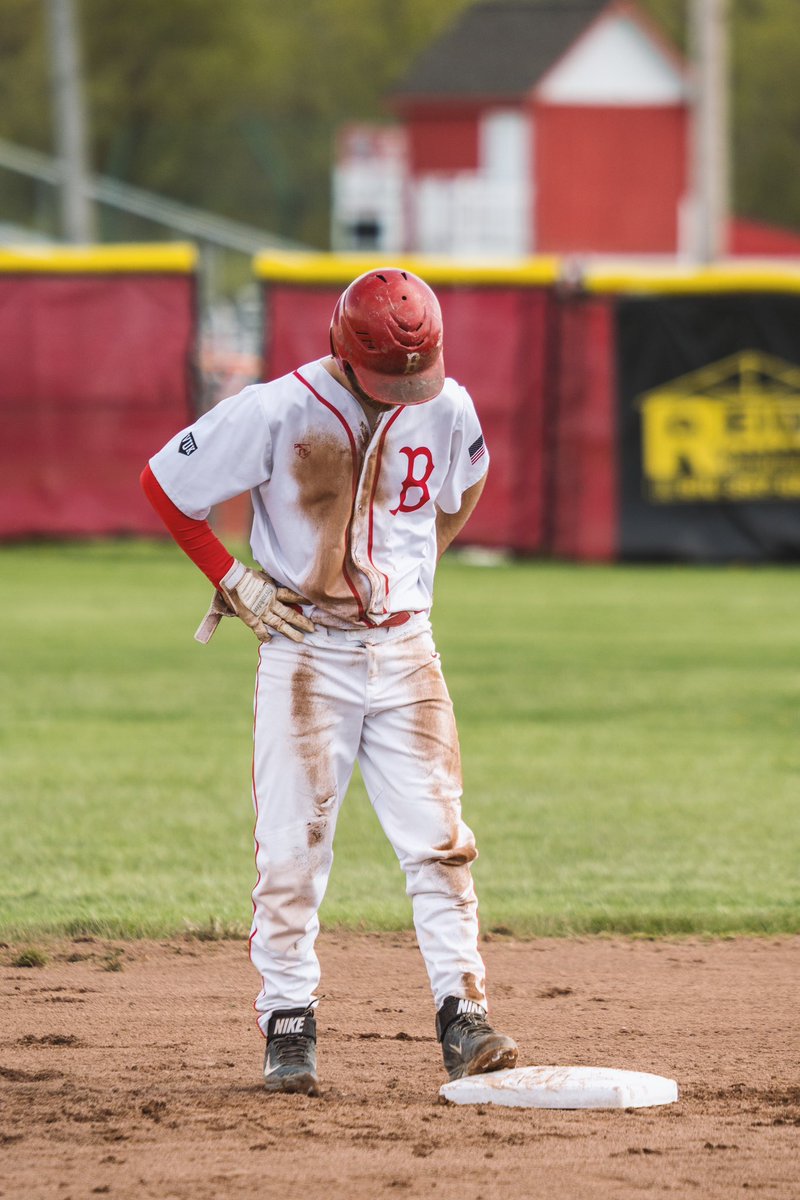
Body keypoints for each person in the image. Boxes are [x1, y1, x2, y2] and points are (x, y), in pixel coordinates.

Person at [141, 267, 518, 1095]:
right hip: (308, 651)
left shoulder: (448, 405)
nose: (405, 391)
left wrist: (423, 558)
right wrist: (233, 579)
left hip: (408, 649)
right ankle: (289, 1022)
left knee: (441, 844)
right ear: (345, 352)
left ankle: (465, 1017)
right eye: (388, 375)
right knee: (292, 853)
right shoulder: (278, 408)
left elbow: (469, 477)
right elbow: (166, 483)